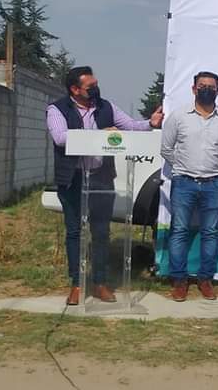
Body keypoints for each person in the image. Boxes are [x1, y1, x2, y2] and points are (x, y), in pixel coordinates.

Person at [47, 66, 163, 306]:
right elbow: (60, 137)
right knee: (75, 232)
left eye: (96, 84)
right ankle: (77, 284)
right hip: (73, 179)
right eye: (90, 86)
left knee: (101, 233)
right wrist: (100, 135)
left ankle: (100, 283)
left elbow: (130, 125)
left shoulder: (105, 107)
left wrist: (150, 123)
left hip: (101, 178)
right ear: (75, 89)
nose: (96, 89)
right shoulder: (57, 109)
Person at [160, 71, 218, 302]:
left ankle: (205, 279)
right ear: (194, 89)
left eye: (211, 87)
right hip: (183, 182)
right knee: (179, 231)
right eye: (202, 86)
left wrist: (214, 166)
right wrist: (183, 165)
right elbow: (166, 149)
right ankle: (179, 280)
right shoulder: (178, 116)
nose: (207, 89)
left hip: (214, 183)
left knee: (210, 233)